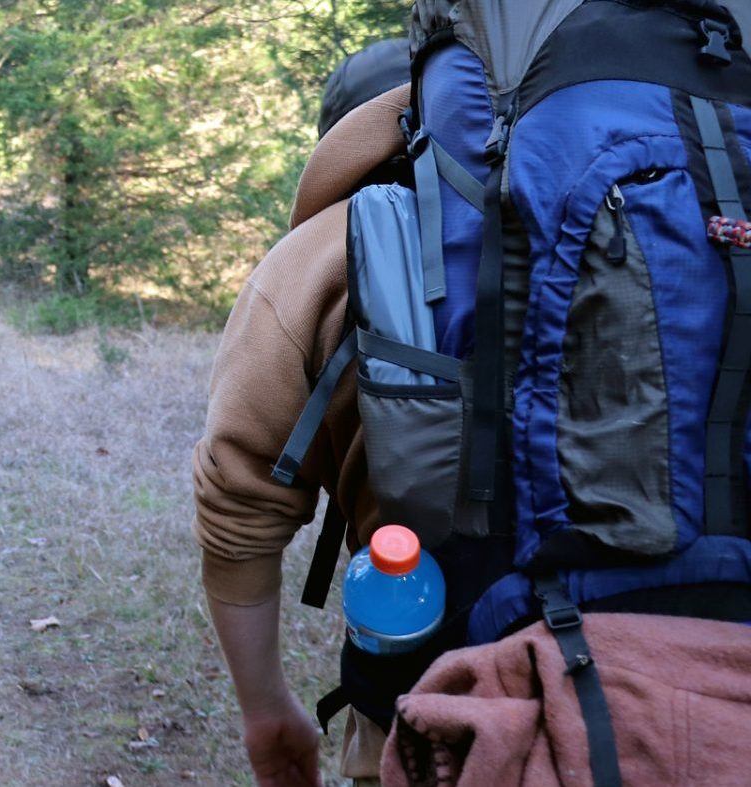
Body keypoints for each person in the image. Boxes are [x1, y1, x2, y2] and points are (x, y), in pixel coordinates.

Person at [191, 41, 410, 787]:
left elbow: (237, 498)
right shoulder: (682, 205)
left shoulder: (321, 253)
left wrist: (268, 709)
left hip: (425, 721)